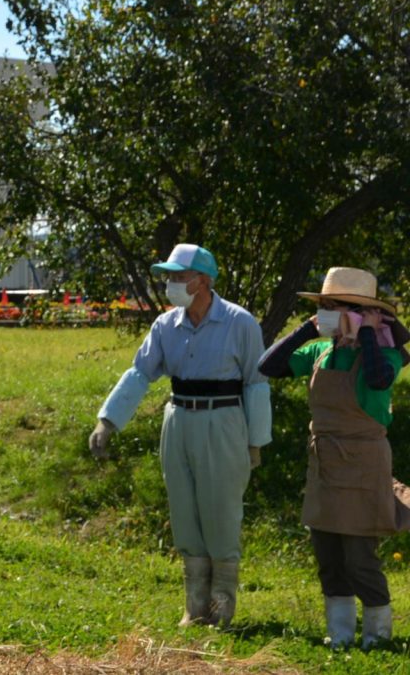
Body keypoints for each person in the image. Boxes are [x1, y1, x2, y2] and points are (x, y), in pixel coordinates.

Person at [88, 243, 271, 628]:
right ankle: (194, 605)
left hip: (223, 421)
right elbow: (140, 373)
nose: (171, 283)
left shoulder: (240, 323)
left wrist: (255, 441)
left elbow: (256, 384)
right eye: (169, 276)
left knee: (220, 509)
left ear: (203, 280)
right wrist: (108, 421)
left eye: (178, 276)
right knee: (184, 510)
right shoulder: (165, 324)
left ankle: (222, 606)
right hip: (179, 419)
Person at [258, 267, 410, 649]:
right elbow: (268, 366)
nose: (326, 312)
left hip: (364, 462)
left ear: (359, 313)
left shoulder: (386, 354)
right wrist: (308, 329)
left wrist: (369, 336)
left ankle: (378, 635)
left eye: (334, 307)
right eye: (323, 306)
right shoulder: (319, 351)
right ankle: (340, 634)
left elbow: (377, 379)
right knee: (327, 553)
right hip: (324, 462)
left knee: (359, 557)